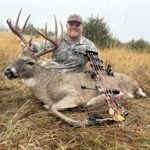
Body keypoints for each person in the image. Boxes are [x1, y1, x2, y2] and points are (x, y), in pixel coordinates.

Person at [32, 14, 100, 72]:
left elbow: (97, 67)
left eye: (77, 25)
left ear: (82, 27)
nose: (74, 27)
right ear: (66, 26)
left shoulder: (89, 45)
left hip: (76, 81)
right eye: (71, 24)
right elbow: (39, 46)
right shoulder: (57, 39)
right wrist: (31, 46)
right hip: (54, 77)